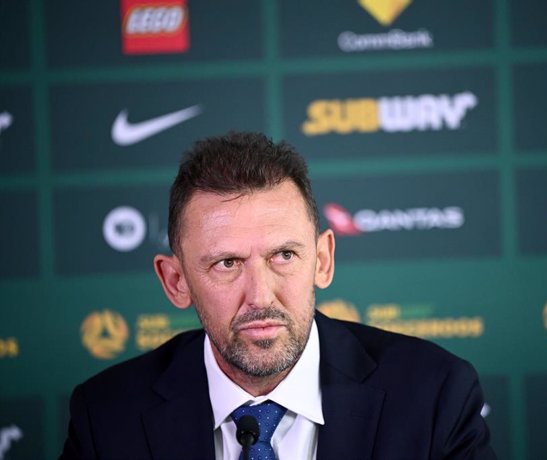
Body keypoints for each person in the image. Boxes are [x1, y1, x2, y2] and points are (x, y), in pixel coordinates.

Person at [60, 132, 496, 459]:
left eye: (284, 255)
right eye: (226, 264)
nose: (260, 295)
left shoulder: (436, 395)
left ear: (322, 260)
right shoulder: (106, 417)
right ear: (175, 281)